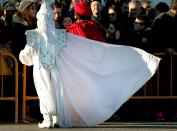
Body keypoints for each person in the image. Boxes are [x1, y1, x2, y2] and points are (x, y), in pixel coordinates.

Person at [19, 0, 160, 128]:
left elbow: (26, 55)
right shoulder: (57, 35)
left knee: (47, 89)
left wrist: (23, 57)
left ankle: (50, 117)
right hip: (54, 68)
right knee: (55, 90)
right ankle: (54, 117)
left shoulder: (37, 35)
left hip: (43, 67)